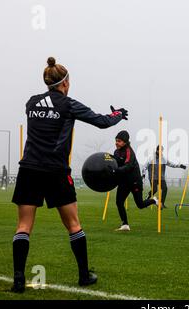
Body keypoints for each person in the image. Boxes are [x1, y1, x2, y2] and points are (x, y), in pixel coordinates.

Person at [10, 57, 127, 293]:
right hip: (56, 171)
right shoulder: (68, 104)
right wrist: (118, 115)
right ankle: (84, 276)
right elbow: (102, 122)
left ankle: (19, 280)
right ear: (65, 83)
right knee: (73, 225)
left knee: (23, 226)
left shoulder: (31, 103)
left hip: (29, 169)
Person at [113, 131, 158, 231]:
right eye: (116, 140)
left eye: (119, 141)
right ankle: (125, 224)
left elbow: (128, 166)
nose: (116, 143)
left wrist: (116, 170)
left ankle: (154, 200)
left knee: (140, 205)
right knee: (119, 202)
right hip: (124, 182)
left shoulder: (129, 151)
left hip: (135, 182)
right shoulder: (116, 152)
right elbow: (114, 163)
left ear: (125, 142)